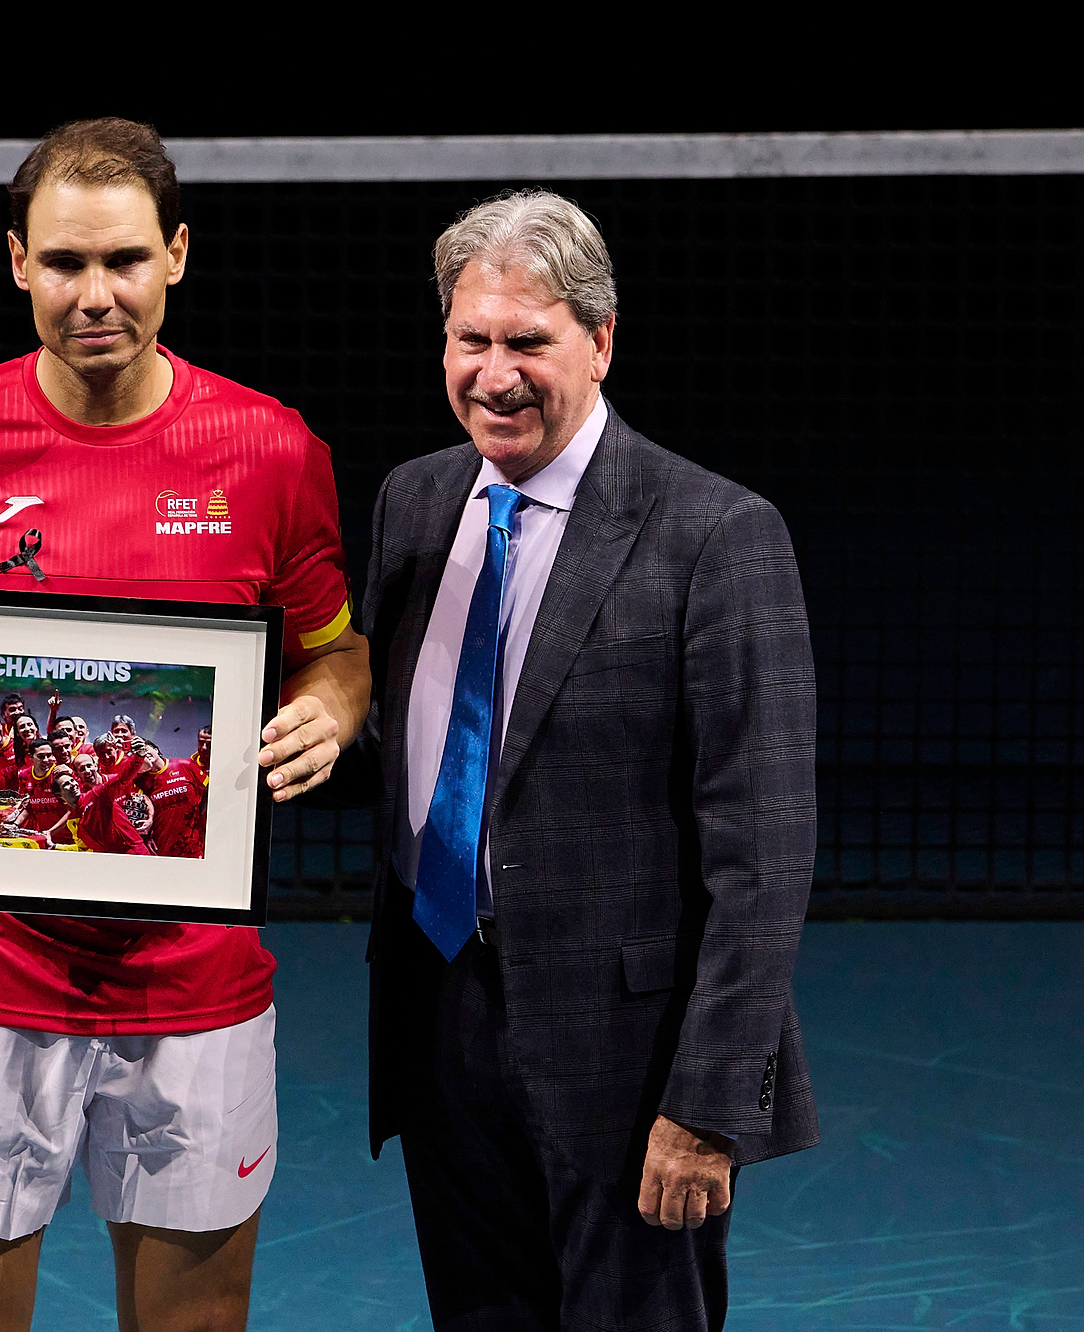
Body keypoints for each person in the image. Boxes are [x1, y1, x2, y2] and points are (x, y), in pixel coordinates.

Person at [0, 117, 369, 1331]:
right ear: (17, 262)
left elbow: (334, 653)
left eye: (123, 260)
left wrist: (326, 714)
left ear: (177, 254)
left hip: (194, 981)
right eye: (63, 262)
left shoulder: (271, 452)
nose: (94, 294)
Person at [343, 190, 818, 1329]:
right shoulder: (414, 502)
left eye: (527, 341)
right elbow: (405, 746)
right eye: (470, 339)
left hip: (627, 1058)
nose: (493, 374)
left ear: (599, 342)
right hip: (439, 1017)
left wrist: (708, 1105)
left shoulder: (715, 534)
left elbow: (762, 856)